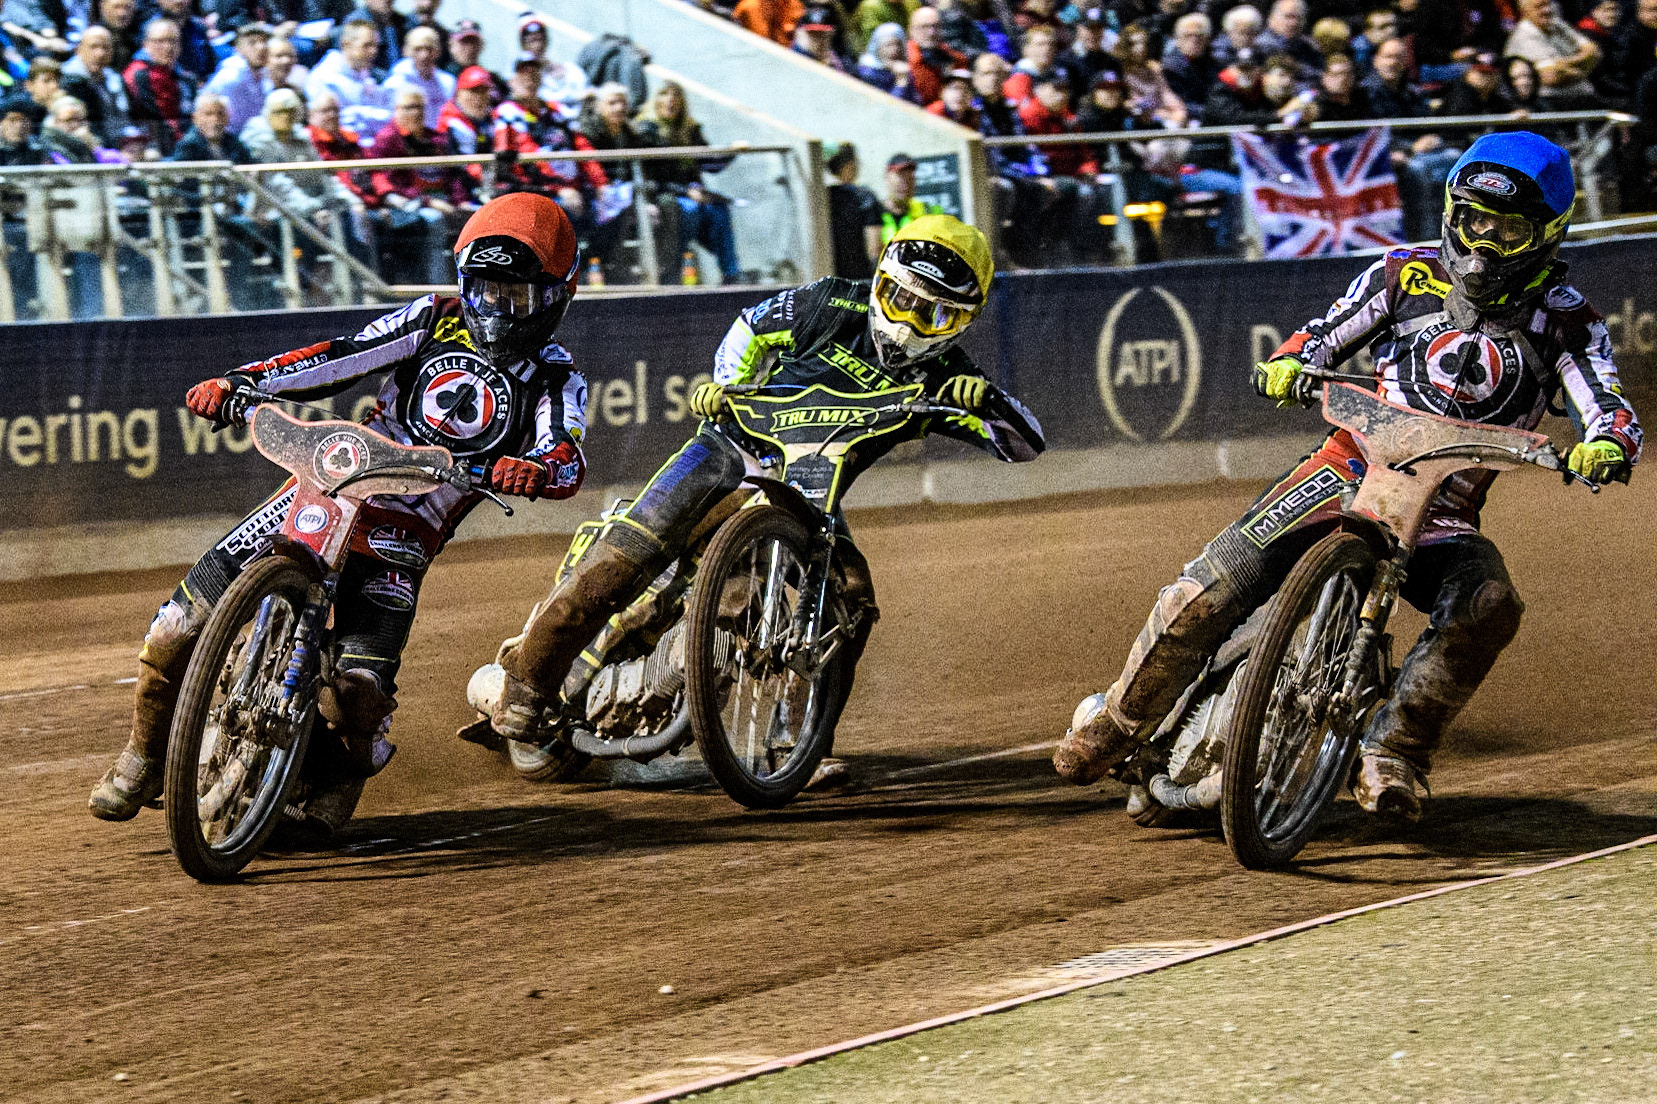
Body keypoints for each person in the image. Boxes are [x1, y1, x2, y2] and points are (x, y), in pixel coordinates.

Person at [1056, 132, 1641, 823]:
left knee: (1489, 605)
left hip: (1442, 511)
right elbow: (1321, 334)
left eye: (1507, 228)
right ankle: (1116, 722)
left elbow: (1606, 403)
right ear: (1452, 211)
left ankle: (1394, 752)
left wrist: (1607, 443)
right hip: (1345, 466)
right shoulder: (1403, 273)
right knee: (1210, 586)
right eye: (1474, 219)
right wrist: (1287, 362)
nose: (1483, 242)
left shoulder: (1567, 321)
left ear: (1544, 234)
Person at [478, 215, 1045, 791]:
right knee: (628, 554)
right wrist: (728, 385)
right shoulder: (831, 303)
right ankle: (525, 685)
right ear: (879, 282)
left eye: (934, 314)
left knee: (851, 597)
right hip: (730, 448)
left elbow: (1026, 445)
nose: (908, 325)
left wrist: (987, 402)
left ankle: (796, 741)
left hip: (808, 491)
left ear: (963, 321)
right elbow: (749, 328)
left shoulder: (951, 376)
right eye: (900, 300)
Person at [88, 192, 592, 831]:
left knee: (357, 695)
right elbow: (337, 357)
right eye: (486, 289)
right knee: (174, 626)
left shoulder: (556, 377)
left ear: (556, 296)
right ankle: (142, 755)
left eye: (516, 296)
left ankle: (341, 770)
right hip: (327, 489)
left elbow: (567, 457)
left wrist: (537, 470)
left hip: (405, 535)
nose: (497, 307)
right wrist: (244, 384)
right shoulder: (432, 318)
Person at [634, 79, 742, 284]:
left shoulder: (689, 129)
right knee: (690, 210)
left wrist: (732, 152)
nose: (670, 101)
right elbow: (651, 177)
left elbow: (709, 163)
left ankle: (731, 273)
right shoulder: (647, 130)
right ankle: (674, 271)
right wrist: (685, 191)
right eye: (665, 95)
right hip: (662, 194)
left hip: (691, 192)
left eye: (676, 97)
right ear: (655, 100)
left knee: (718, 209)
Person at [369, 87, 473, 283]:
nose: (416, 113)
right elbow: (389, 181)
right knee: (434, 220)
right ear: (396, 110)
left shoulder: (435, 139)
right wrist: (429, 202)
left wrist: (461, 201)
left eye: (420, 108)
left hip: (443, 200)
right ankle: (438, 289)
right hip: (411, 205)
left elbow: (453, 175)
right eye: (409, 107)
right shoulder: (388, 139)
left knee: (475, 217)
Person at [305, 18, 392, 139]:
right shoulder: (324, 77)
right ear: (346, 44)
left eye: (376, 46)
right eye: (367, 45)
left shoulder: (366, 76)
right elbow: (336, 121)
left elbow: (387, 119)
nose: (374, 51)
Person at [1505, 0, 1601, 109]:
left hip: (1584, 96)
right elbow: (1552, 76)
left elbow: (1594, 51)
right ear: (1525, 11)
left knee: (1620, 108)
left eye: (1548, 4)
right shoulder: (1522, 36)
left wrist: (1563, 65)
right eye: (1539, 6)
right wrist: (1584, 65)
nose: (1547, 10)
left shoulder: (1557, 24)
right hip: (1550, 101)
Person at [124, 17, 196, 155]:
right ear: (145, 44)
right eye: (160, 41)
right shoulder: (137, 74)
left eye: (173, 41)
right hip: (154, 147)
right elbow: (149, 119)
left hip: (185, 143)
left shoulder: (186, 78)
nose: (168, 47)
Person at [60, 24, 130, 145]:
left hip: (120, 141)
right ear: (78, 50)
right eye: (93, 47)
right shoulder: (67, 80)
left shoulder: (115, 78)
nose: (100, 54)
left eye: (106, 47)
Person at [823, 140, 880, 278]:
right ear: (850, 165)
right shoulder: (864, 197)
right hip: (858, 282)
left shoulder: (822, 197)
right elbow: (874, 248)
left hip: (829, 280)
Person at [203, 21, 271, 134]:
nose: (261, 47)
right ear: (238, 49)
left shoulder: (263, 76)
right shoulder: (231, 76)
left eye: (264, 41)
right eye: (252, 43)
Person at [384, 24, 453, 129]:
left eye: (429, 49)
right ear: (406, 51)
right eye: (418, 49)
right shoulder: (395, 84)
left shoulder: (448, 82)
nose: (424, 55)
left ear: (438, 52)